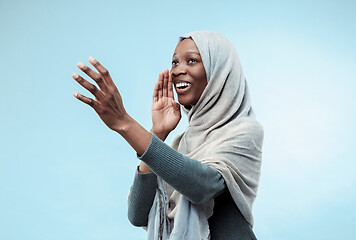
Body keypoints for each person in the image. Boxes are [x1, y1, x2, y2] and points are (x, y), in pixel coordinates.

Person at [72, 30, 264, 240]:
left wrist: (125, 123)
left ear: (219, 71)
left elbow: (202, 186)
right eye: (175, 63)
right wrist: (157, 134)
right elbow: (137, 214)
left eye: (192, 61)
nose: (178, 70)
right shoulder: (180, 145)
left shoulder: (244, 131)